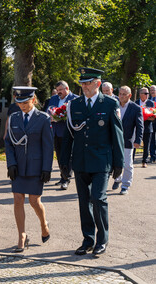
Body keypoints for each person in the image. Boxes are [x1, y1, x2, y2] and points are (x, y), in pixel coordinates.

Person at [60, 67, 124, 257]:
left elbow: (117, 135)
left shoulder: (110, 104)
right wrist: (64, 161)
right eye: (82, 83)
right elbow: (68, 135)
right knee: (83, 202)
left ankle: (102, 239)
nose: (84, 86)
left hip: (102, 161)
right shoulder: (75, 105)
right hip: (80, 160)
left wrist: (119, 162)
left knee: (98, 198)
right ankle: (88, 239)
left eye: (88, 83)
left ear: (97, 83)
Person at [5, 86, 53, 252]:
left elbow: (48, 146)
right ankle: (22, 235)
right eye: (19, 102)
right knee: (18, 199)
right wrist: (10, 163)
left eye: (25, 102)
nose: (22, 106)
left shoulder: (43, 118)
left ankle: (43, 223)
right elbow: (8, 142)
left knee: (34, 201)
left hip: (36, 167)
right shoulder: (14, 118)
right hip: (18, 167)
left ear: (33, 100)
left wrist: (47, 168)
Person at [111, 86, 143, 195]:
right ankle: (117, 178)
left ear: (129, 95)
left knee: (128, 164)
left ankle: (125, 185)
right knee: (115, 162)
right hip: (114, 140)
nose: (121, 96)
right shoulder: (114, 105)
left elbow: (140, 126)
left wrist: (138, 140)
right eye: (120, 93)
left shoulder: (135, 108)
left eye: (124, 94)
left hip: (128, 140)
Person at [46, 81, 78, 190]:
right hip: (56, 131)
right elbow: (48, 111)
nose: (58, 92)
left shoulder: (75, 99)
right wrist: (52, 116)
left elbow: (77, 114)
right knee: (59, 155)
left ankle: (66, 179)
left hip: (69, 131)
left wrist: (64, 116)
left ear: (67, 88)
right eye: (57, 90)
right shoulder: (54, 98)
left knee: (68, 156)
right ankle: (62, 176)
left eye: (60, 90)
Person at [134, 87, 154, 168]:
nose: (147, 95)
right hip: (137, 127)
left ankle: (144, 161)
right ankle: (131, 159)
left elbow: (153, 117)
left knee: (147, 145)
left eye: (148, 93)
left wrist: (144, 117)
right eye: (145, 93)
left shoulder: (151, 103)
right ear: (140, 94)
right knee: (135, 144)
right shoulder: (136, 102)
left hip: (148, 127)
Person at [149, 85, 156, 163]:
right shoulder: (148, 100)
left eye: (153, 90)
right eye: (151, 90)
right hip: (151, 121)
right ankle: (152, 156)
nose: (152, 91)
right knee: (152, 140)